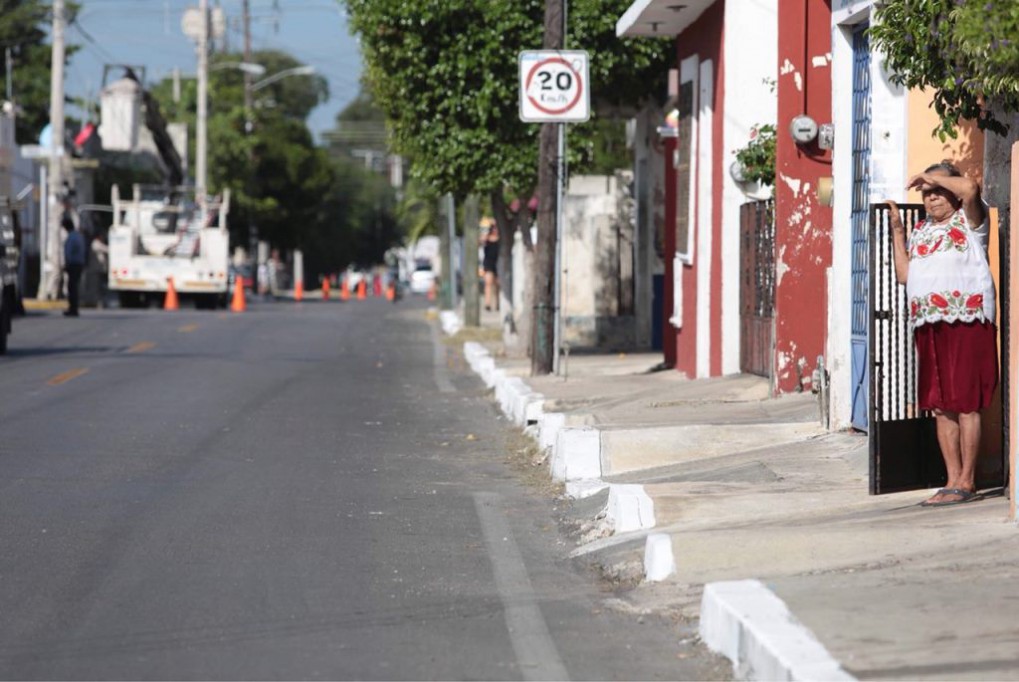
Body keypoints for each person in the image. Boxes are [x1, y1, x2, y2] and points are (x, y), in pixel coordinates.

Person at [887, 161, 997, 507]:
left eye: (938, 191)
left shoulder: (970, 222)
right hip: (929, 322)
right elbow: (905, 276)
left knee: (966, 404)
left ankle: (967, 480)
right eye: (926, 193)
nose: (932, 197)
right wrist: (898, 234)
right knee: (939, 405)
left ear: (951, 191)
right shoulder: (921, 230)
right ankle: (950, 480)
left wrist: (932, 176)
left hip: (966, 320)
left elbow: (972, 191)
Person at [63, 211, 87, 317]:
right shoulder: (79, 236)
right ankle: (74, 308)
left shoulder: (71, 237)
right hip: (79, 264)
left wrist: (67, 264)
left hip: (73, 264)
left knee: (71, 287)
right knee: (74, 287)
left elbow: (68, 253)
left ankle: (73, 308)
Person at [482, 219, 499, 312]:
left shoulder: (501, 238)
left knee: (497, 285)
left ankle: (497, 303)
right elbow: (480, 240)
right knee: (488, 283)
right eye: (493, 228)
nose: (494, 229)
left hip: (498, 262)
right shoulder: (486, 238)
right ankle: (487, 303)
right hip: (488, 262)